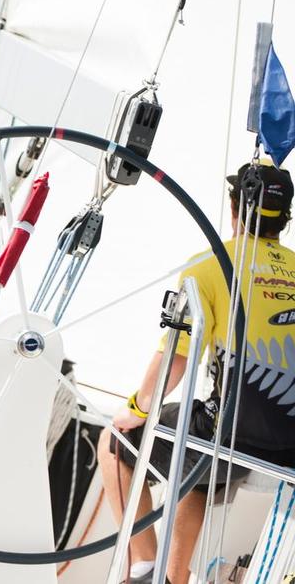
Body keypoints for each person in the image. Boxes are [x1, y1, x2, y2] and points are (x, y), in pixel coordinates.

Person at [96, 161, 295, 584]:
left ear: (235, 208)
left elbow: (175, 360)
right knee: (200, 449)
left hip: (232, 440)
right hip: (290, 451)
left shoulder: (208, 266)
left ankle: (144, 568)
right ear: (286, 217)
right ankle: (174, 578)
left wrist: (135, 408)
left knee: (115, 442)